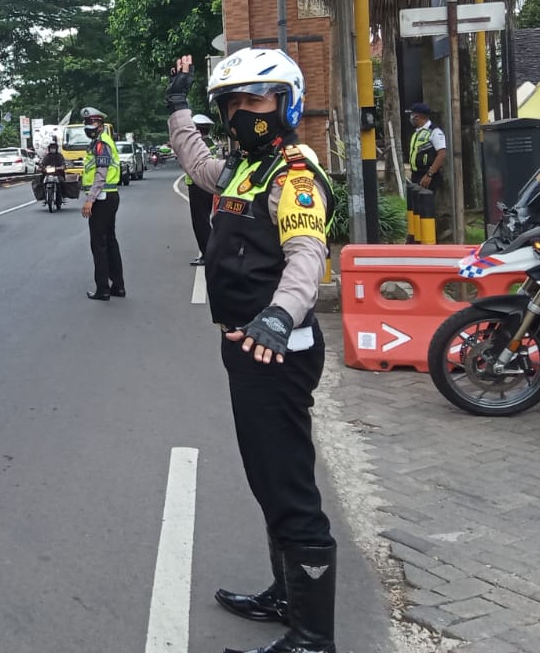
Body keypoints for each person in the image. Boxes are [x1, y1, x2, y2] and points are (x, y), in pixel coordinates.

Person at [166, 49, 337, 653]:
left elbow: (306, 256)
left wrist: (276, 315)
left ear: (285, 103)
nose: (242, 113)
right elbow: (196, 162)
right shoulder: (245, 170)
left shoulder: (293, 174)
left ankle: (314, 640)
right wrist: (178, 107)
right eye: (232, 103)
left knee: (288, 487)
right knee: (267, 478)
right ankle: (287, 593)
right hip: (247, 348)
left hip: (277, 351)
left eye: (254, 100)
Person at [80, 106, 124, 301]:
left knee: (99, 244)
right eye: (87, 123)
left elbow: (101, 174)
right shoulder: (102, 142)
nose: (89, 126)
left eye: (93, 123)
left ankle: (103, 289)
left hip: (102, 198)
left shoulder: (101, 144)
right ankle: (118, 286)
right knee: (110, 241)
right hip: (109, 196)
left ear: (101, 125)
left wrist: (89, 200)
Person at [186, 113, 216, 266]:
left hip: (198, 186)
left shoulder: (199, 145)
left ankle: (207, 254)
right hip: (206, 185)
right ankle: (209, 252)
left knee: (200, 222)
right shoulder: (209, 142)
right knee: (204, 219)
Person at [406, 102, 447, 191]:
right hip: (416, 174)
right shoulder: (417, 132)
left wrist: (429, 175)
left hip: (427, 175)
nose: (410, 117)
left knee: (425, 202)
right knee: (416, 203)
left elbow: (442, 154)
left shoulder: (435, 132)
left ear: (417, 116)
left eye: (412, 115)